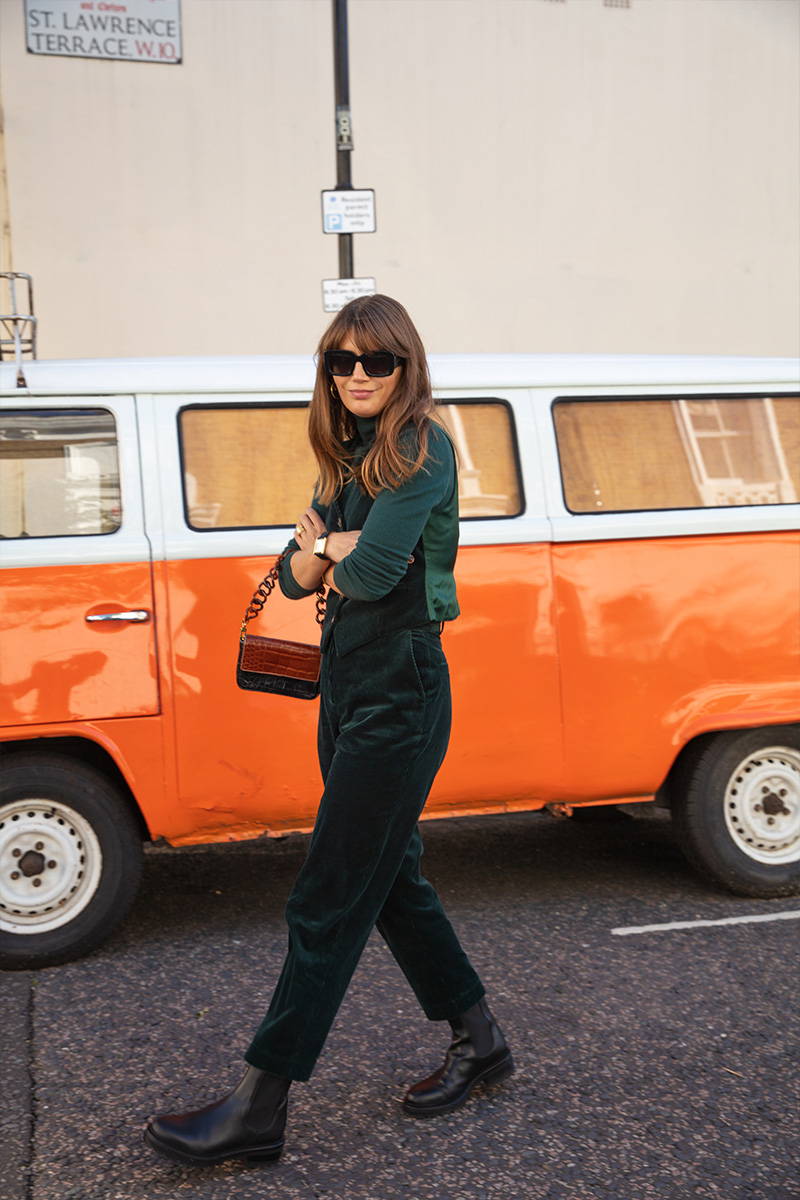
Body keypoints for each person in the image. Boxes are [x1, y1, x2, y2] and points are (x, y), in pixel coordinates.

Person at [144, 294, 513, 1167]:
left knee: (327, 893)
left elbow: (379, 567)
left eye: (374, 361)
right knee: (389, 882)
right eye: (340, 362)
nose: (356, 375)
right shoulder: (350, 458)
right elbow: (297, 575)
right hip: (346, 688)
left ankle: (259, 1106)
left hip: (402, 690)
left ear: (404, 367)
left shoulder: (422, 448)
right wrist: (330, 547)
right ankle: (482, 1038)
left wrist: (333, 545)